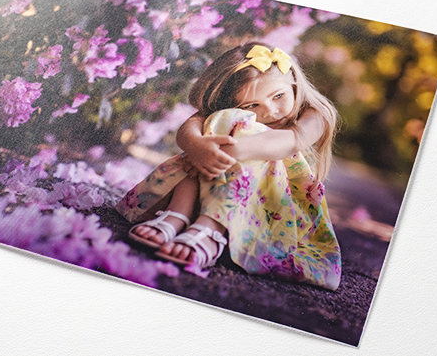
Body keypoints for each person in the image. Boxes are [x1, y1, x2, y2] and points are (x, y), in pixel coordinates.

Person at [116, 42, 341, 290]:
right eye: (252, 106)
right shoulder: (236, 117)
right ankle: (178, 215)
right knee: (221, 121)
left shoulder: (315, 114)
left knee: (245, 134)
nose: (271, 111)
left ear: (294, 84)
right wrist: (199, 148)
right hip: (216, 193)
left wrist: (222, 154)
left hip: (276, 212)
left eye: (278, 96)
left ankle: (211, 228)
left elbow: (285, 143)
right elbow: (190, 128)